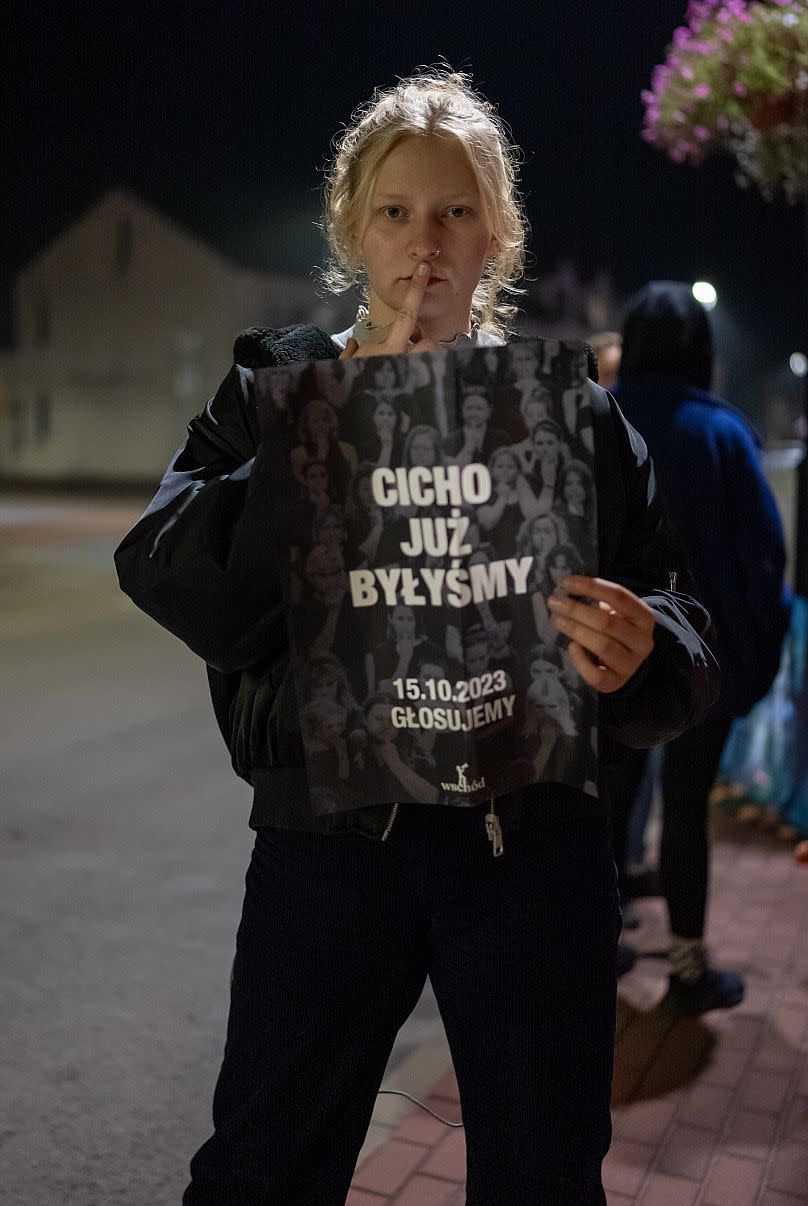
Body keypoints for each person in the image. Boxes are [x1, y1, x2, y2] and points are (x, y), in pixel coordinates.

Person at [115, 70, 718, 1206]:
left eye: (453, 212)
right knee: (263, 1165)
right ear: (352, 226)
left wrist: (648, 652)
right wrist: (327, 439)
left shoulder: (567, 412)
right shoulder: (279, 387)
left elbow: (680, 622)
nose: (424, 243)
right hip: (330, 848)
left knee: (542, 1173)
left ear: (497, 233)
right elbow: (170, 571)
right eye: (394, 211)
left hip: (529, 852)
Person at [610, 280, 790, 1014]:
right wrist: (759, 654)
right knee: (686, 810)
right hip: (700, 664)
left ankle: (594, 949)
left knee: (608, 803)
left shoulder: (598, 418)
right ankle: (687, 969)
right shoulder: (722, 434)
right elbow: (763, 560)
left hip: (604, 656)